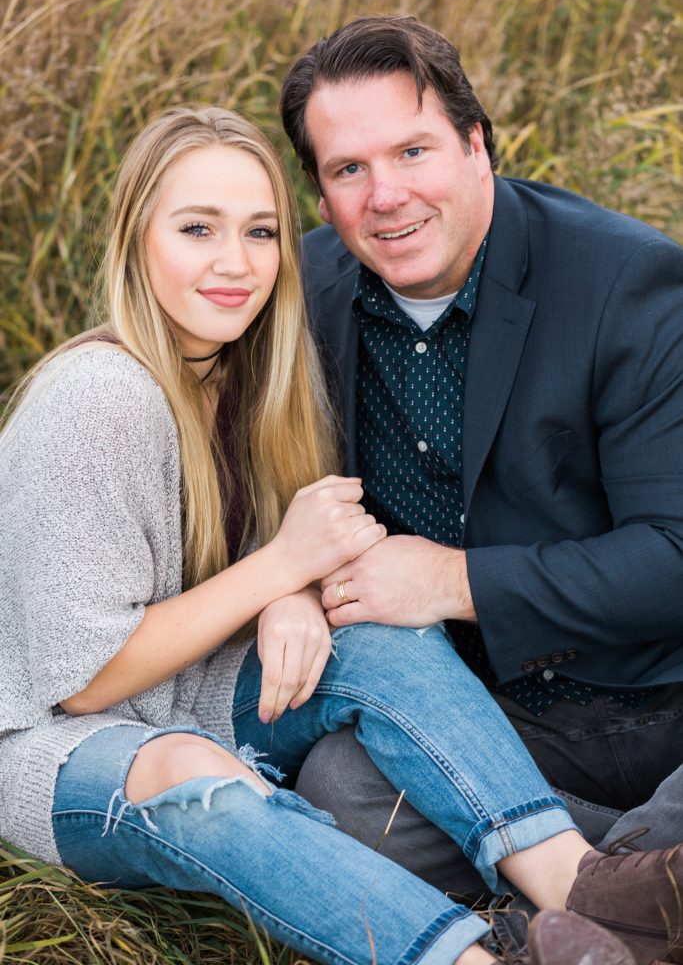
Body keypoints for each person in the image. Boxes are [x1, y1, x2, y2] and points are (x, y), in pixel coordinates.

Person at [0, 104, 650, 965]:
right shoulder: (97, 397)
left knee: (377, 633)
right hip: (45, 738)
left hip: (195, 688)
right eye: (198, 229)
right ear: (135, 239)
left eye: (261, 232)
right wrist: (280, 569)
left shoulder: (257, 376)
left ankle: (585, 896)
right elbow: (82, 683)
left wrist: (300, 595)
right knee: (199, 784)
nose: (236, 264)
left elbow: (294, 550)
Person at [276, 16, 683, 962]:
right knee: (339, 794)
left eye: (412, 150)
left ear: (474, 143)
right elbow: (256, 492)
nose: (387, 197)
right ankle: (620, 897)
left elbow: (673, 554)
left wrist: (453, 581)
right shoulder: (298, 293)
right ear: (320, 190)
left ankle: (540, 918)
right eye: (348, 170)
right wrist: (288, 586)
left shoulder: (629, 283)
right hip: (487, 722)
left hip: (662, 694)